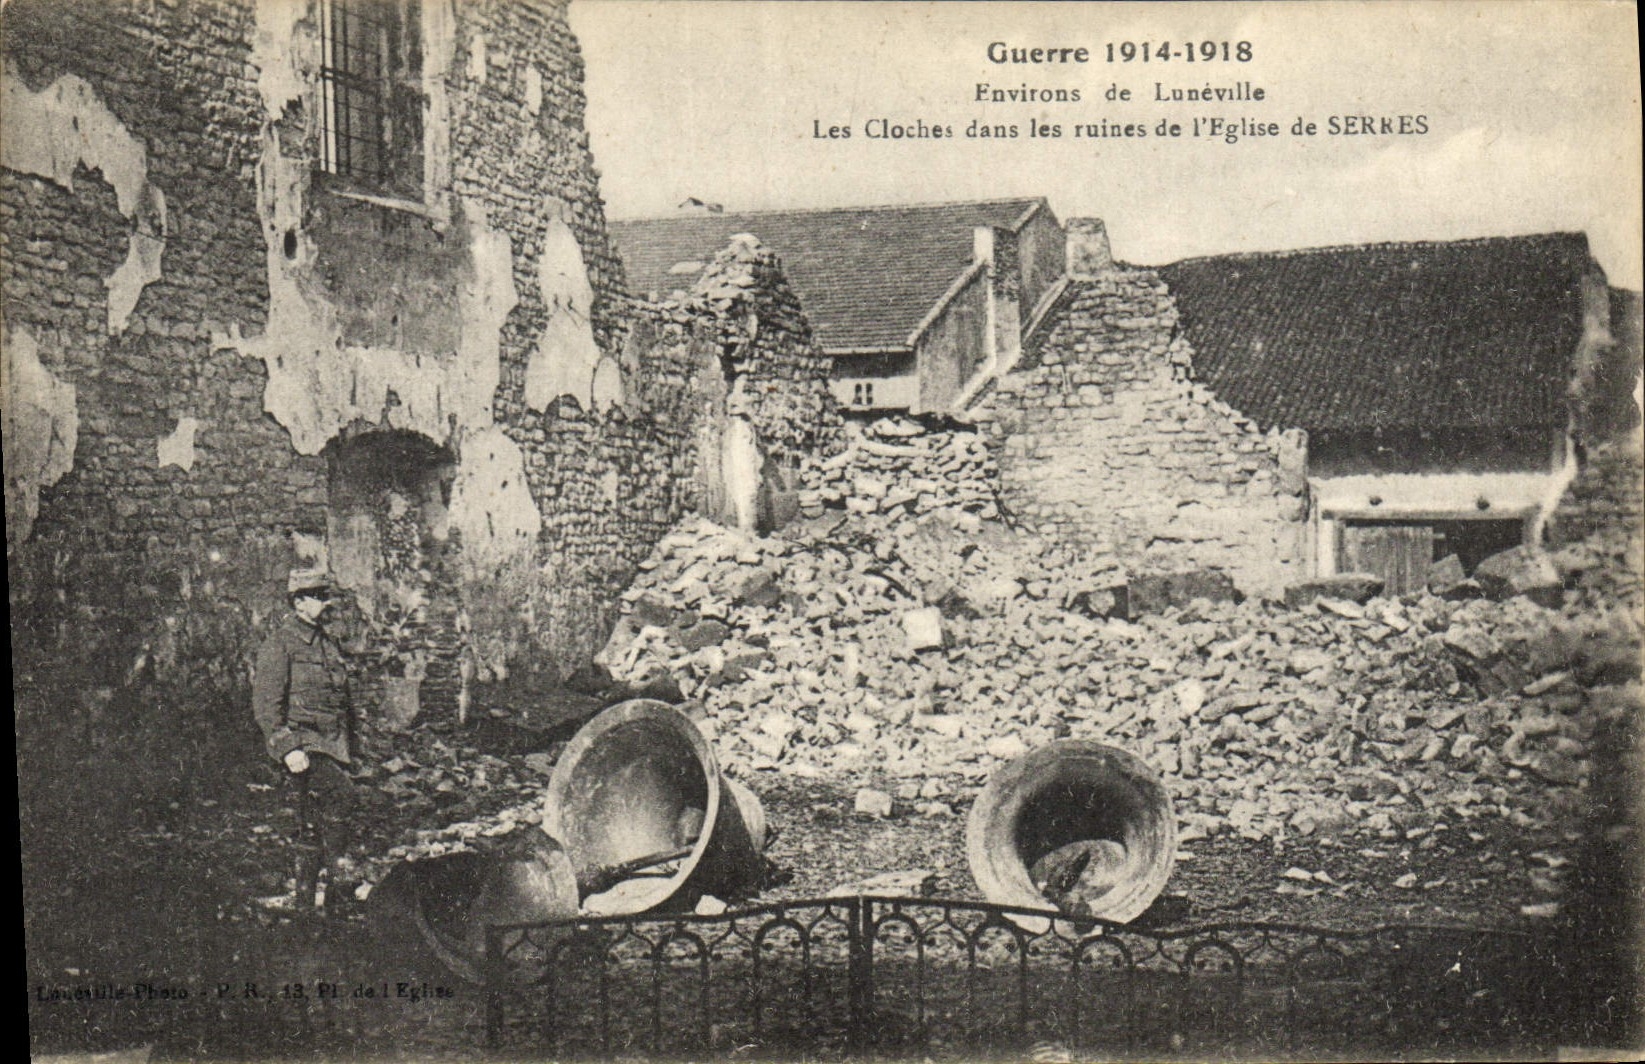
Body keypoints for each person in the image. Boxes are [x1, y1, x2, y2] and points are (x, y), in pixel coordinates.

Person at [252, 567, 356, 911]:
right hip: (303, 748)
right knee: (341, 797)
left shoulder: (328, 644)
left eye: (326, 596)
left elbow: (342, 704)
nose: (326, 603)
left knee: (311, 825)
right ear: (298, 602)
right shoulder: (280, 643)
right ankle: (335, 884)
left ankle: (313, 907)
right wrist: (288, 748)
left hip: (333, 747)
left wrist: (355, 750)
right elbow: (266, 705)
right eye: (318, 597)